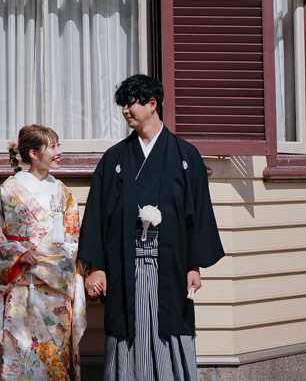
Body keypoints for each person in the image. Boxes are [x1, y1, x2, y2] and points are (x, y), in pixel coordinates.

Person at [78, 74, 224, 381]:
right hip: (123, 264)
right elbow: (97, 216)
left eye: (130, 104)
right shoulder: (114, 159)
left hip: (170, 264)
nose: (124, 111)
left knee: (169, 325)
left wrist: (194, 266)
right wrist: (96, 267)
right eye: (122, 106)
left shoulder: (186, 156)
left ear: (152, 103)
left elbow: (198, 213)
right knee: (127, 328)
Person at [0, 124, 88, 381]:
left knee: (55, 352)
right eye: (53, 146)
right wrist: (17, 253)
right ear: (33, 154)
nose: (59, 151)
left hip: (56, 289)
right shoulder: (9, 190)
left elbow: (74, 235)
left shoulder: (62, 192)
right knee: (18, 349)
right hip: (21, 284)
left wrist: (59, 260)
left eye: (58, 145)